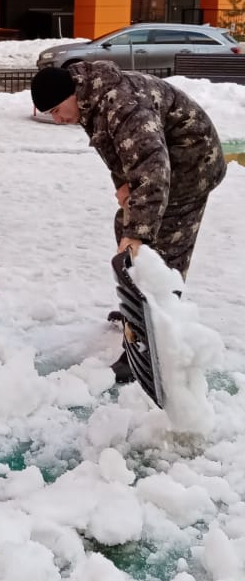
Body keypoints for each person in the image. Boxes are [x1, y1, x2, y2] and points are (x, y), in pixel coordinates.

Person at [30, 61, 226, 379]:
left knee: (164, 245)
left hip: (192, 166)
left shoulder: (122, 104)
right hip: (166, 163)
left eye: (55, 109)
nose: (56, 118)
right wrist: (121, 183)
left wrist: (138, 233)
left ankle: (154, 341)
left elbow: (152, 167)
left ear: (69, 94)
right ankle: (140, 314)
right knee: (125, 228)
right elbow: (114, 147)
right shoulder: (87, 99)